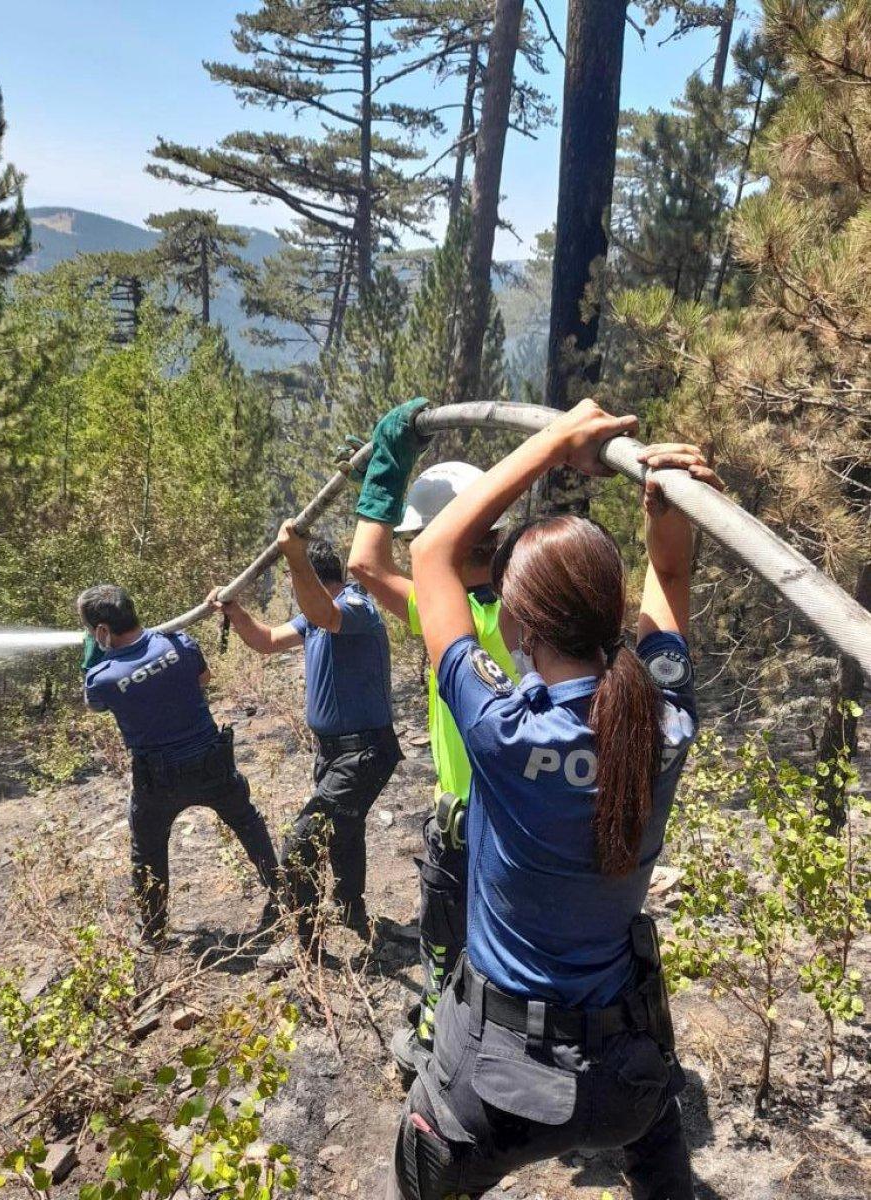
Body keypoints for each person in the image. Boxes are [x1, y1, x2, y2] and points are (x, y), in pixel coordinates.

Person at [385, 399, 724, 1200]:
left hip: (491, 1086)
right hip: (626, 1078)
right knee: (659, 1151)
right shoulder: (665, 721)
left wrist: (552, 444)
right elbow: (671, 577)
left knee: (423, 1177)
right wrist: (663, 504)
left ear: (520, 629)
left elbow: (432, 552)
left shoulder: (500, 731)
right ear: (611, 613)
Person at [346, 399, 517, 1071]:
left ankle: (436, 1051)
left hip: (464, 816)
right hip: (524, 816)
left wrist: (388, 460)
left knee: (444, 941)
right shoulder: (530, 608)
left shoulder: (443, 616)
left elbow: (364, 562)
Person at [209, 521, 402, 944]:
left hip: (364, 752)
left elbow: (322, 612)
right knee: (343, 830)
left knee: (302, 842)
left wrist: (294, 555)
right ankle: (352, 910)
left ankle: (305, 942)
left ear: (316, 578)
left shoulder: (355, 607)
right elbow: (267, 640)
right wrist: (236, 613)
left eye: (300, 578)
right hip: (333, 753)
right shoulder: (315, 616)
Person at [78, 584, 279, 948]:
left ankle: (154, 934)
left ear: (102, 632)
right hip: (210, 762)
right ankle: (284, 897)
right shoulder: (179, 643)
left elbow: (93, 704)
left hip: (158, 780)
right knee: (248, 824)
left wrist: (93, 654)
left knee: (148, 851)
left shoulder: (103, 676)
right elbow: (204, 679)